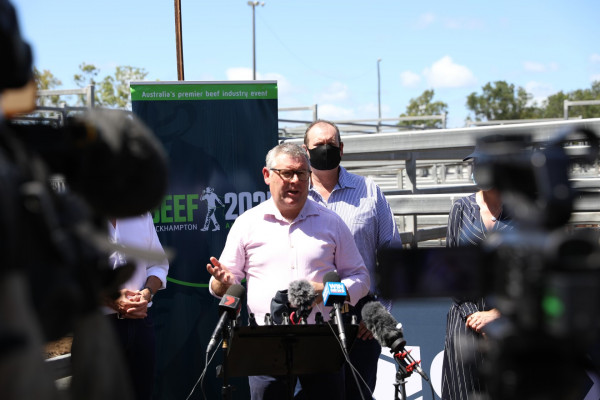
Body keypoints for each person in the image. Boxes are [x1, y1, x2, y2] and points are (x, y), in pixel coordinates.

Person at [206, 142, 370, 400]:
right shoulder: (247, 224)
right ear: (267, 175)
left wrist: (327, 291)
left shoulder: (332, 223)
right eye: (287, 173)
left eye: (302, 174)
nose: (295, 181)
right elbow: (221, 286)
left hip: (322, 343)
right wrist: (223, 284)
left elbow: (360, 278)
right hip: (264, 344)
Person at [302, 119, 402, 399]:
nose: (325, 149)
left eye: (331, 144)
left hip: (361, 322)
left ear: (342, 149)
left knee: (358, 393)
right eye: (318, 145)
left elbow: (392, 253)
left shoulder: (369, 191)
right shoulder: (295, 196)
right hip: (311, 321)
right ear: (306, 150)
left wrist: (380, 312)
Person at [441, 146, 514, 400]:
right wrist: (475, 316)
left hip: (509, 323)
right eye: (476, 165)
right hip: (465, 322)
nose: (479, 170)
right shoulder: (461, 208)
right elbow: (450, 270)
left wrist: (496, 314)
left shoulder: (520, 212)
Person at [103, 212, 170, 400]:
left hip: (141, 324)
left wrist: (147, 294)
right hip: (99, 326)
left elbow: (158, 265)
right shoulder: (77, 213)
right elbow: (68, 273)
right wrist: (111, 299)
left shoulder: (141, 214)